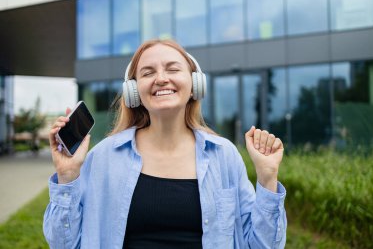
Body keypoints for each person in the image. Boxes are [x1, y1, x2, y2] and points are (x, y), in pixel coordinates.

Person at [43, 39, 287, 249]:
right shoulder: (104, 157)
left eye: (172, 69)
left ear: (195, 84)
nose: (161, 79)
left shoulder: (224, 155)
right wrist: (67, 177)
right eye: (148, 73)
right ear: (133, 91)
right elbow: (64, 244)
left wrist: (267, 179)